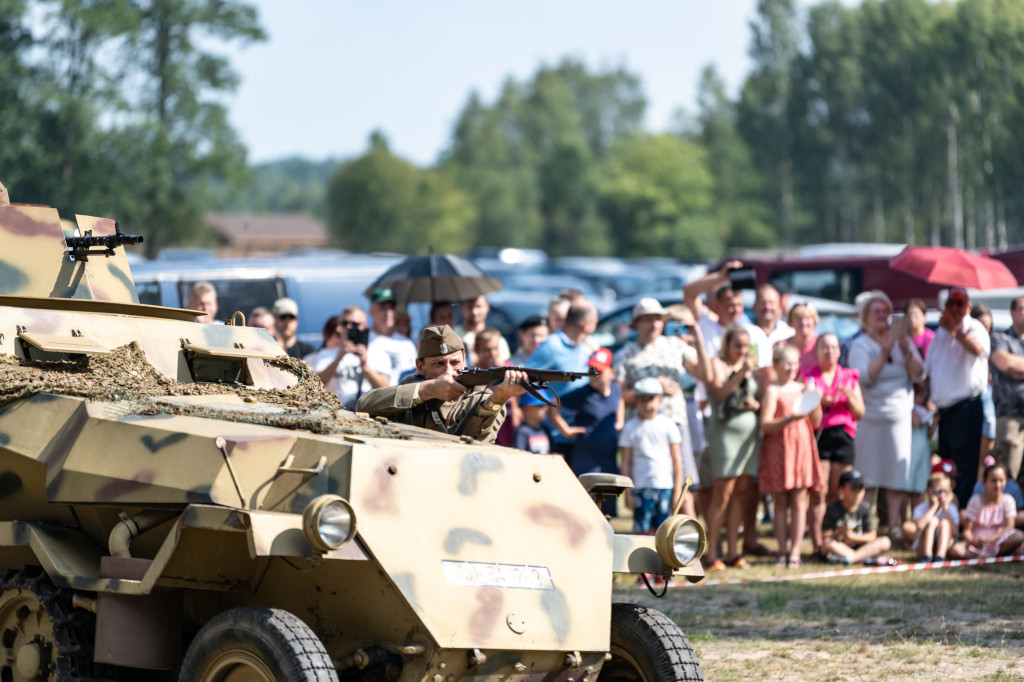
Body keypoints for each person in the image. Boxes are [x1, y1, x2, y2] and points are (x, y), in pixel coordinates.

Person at [356, 325, 526, 442]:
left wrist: (498, 399)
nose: (448, 371)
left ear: (464, 361)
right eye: (438, 364)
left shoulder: (482, 396)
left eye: (455, 362)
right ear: (420, 367)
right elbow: (364, 405)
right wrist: (428, 390)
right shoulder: (412, 389)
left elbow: (477, 441)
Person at [615, 299, 711, 500]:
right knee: (649, 492)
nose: (654, 324)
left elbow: (705, 375)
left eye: (658, 319)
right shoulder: (625, 355)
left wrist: (699, 341)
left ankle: (687, 531)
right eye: (648, 319)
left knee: (683, 491)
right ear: (636, 324)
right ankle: (651, 532)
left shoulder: (676, 345)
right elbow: (619, 397)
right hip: (644, 428)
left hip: (676, 423)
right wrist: (652, 386)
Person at [848, 291, 924, 533]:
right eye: (876, 312)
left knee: (895, 476)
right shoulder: (860, 345)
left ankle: (892, 525)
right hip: (869, 418)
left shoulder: (903, 341)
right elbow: (865, 377)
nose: (882, 316)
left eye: (885, 311)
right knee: (868, 475)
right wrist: (884, 353)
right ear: (866, 317)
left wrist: (907, 351)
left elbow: (919, 374)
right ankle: (865, 525)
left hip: (899, 418)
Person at [924, 287, 991, 508]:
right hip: (945, 410)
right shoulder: (939, 335)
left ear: (968, 307)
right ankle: (948, 511)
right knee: (947, 464)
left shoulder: (975, 327)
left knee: (963, 465)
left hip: (966, 406)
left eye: (959, 304)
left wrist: (955, 331)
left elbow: (977, 349)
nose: (954, 308)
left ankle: (961, 512)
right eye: (951, 304)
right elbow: (930, 373)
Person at [759, 345, 823, 568]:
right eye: (786, 363)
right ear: (776, 365)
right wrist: (788, 419)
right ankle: (782, 551)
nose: (791, 368)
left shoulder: (802, 388)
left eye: (795, 364)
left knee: (799, 500)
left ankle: (795, 552)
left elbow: (815, 421)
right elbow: (765, 424)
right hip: (779, 447)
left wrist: (813, 397)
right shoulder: (772, 390)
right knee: (780, 502)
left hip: (801, 446)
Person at [704, 325, 761, 572]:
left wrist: (756, 405)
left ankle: (733, 551)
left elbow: (756, 398)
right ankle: (712, 552)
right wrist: (741, 373)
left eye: (746, 346)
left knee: (740, 494)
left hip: (749, 440)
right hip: (725, 438)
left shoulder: (751, 368)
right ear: (727, 345)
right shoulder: (718, 364)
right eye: (737, 345)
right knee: (722, 496)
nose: (742, 350)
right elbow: (718, 395)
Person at [550, 348, 624, 514]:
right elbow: (553, 405)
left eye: (599, 371)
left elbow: (620, 400)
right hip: (587, 459)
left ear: (612, 372)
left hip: (609, 460)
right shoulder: (582, 394)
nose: (594, 375)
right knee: (586, 507)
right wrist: (565, 430)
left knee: (607, 509)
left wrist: (619, 422)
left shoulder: (616, 390)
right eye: (591, 371)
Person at [619, 377, 685, 530]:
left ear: (660, 400)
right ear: (637, 401)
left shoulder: (668, 425)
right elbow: (625, 463)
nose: (647, 403)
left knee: (664, 532)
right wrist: (627, 493)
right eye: (642, 399)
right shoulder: (630, 428)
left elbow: (677, 461)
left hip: (665, 486)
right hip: (641, 487)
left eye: (651, 398)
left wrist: (677, 491)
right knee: (642, 531)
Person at [305, 306, 390, 409]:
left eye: (354, 324)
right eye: (345, 323)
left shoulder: (378, 354)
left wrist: (365, 367)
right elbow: (315, 385)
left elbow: (386, 390)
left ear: (365, 326)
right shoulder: (325, 354)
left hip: (368, 416)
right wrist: (339, 358)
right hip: (337, 415)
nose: (349, 328)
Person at [820, 469, 897, 566]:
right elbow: (826, 538)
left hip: (860, 547)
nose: (858, 492)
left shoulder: (864, 508)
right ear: (842, 490)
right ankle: (860, 558)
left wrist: (852, 537)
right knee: (827, 545)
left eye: (861, 488)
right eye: (854, 488)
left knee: (885, 541)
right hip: (841, 547)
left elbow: (872, 536)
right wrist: (839, 533)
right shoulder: (832, 509)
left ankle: (850, 559)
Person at [949, 461, 1024, 558]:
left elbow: (1009, 526)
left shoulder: (1008, 500)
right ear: (984, 481)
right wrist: (973, 542)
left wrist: (992, 538)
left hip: (1000, 541)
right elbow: (966, 531)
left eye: (1001, 480)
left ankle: (993, 554)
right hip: (977, 543)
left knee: (1019, 536)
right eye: (994, 481)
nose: (998, 485)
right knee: (956, 550)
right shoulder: (975, 500)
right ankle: (983, 557)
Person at [989, 295, 1024, 489]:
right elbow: (1003, 361)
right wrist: (1011, 365)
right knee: (1007, 476)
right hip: (1011, 417)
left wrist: (1018, 367)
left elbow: (1012, 364)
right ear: (1012, 312)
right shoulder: (1000, 338)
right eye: (1023, 308)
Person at [902, 471, 959, 563]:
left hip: (946, 546)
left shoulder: (951, 508)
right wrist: (934, 507)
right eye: (938, 491)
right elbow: (919, 526)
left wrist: (946, 511)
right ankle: (927, 555)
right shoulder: (921, 508)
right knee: (932, 521)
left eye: (945, 491)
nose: (941, 495)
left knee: (944, 523)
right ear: (928, 491)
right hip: (923, 546)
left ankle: (940, 556)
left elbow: (955, 532)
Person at [366, 286, 418, 386]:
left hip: (402, 398)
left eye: (392, 308)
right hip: (372, 399)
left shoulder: (406, 343)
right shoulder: (365, 341)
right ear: (371, 311)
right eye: (383, 308)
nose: (388, 313)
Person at [474, 328, 516, 446]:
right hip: (486, 433)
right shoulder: (474, 375)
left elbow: (516, 404)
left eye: (495, 349)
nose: (492, 354)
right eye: (487, 350)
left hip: (510, 431)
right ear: (477, 350)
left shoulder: (508, 368)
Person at [458, 295, 510, 366]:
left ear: (487, 307)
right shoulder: (454, 337)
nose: (474, 312)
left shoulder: (499, 339)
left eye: (478, 306)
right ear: (461, 308)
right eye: (470, 307)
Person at [753, 284, 794, 349]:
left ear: (778, 307)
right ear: (754, 306)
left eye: (771, 303)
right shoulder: (745, 332)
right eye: (763, 302)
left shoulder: (789, 333)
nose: (767, 307)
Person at [786, 302, 819, 378]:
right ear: (791, 321)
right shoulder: (784, 345)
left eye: (808, 318)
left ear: (814, 321)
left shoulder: (821, 343)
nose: (803, 322)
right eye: (798, 318)